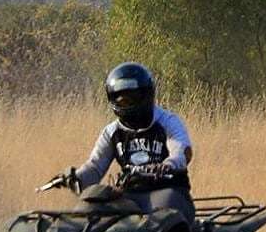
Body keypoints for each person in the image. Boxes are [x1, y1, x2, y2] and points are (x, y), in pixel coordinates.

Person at [63, 63, 196, 222]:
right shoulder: (112, 132)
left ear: (147, 94)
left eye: (132, 98)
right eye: (121, 100)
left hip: (168, 191)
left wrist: (169, 164)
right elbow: (95, 167)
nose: (126, 104)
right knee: (86, 209)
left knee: (162, 218)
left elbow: (181, 150)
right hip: (128, 196)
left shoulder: (168, 122)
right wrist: (76, 178)